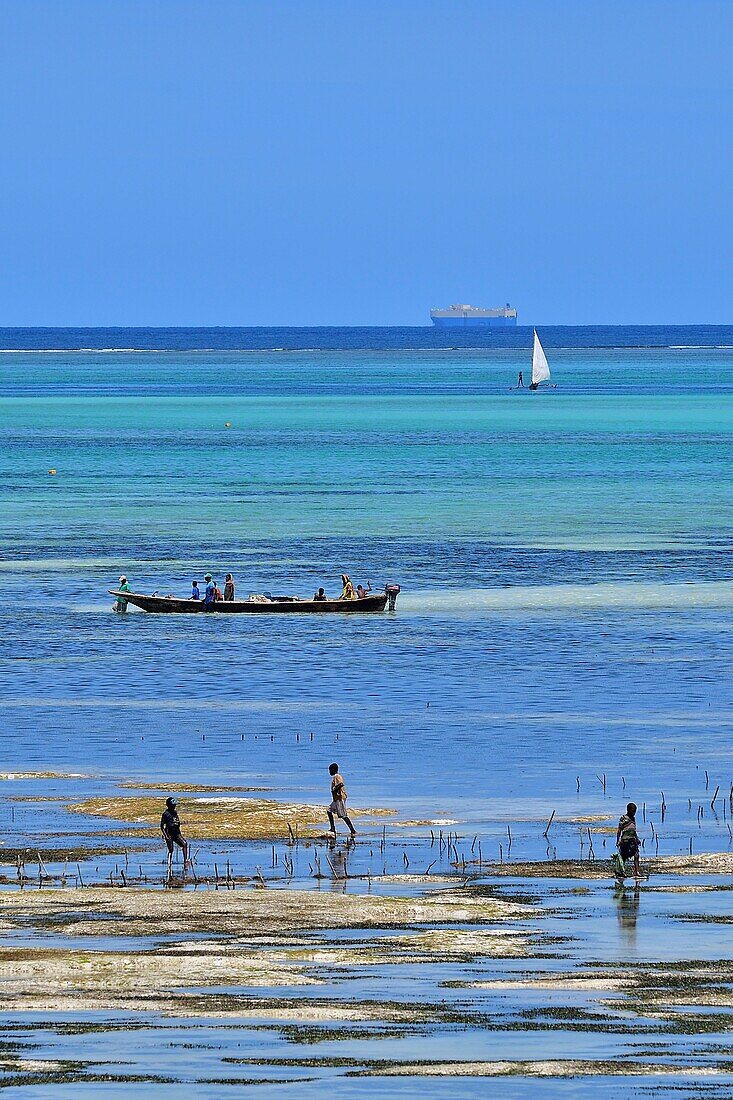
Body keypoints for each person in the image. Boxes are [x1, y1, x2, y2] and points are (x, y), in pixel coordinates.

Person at [327, 762, 356, 838]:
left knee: (343, 815)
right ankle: (332, 828)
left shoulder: (337, 776)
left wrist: (334, 790)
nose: (329, 772)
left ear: (333, 770)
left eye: (330, 770)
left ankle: (352, 830)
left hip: (340, 798)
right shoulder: (335, 777)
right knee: (329, 810)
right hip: (336, 799)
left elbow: (341, 784)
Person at [161, 796, 189, 872]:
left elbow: (177, 823)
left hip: (176, 833)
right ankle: (169, 864)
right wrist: (166, 836)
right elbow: (162, 826)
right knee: (171, 850)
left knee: (184, 844)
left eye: (175, 805)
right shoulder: (165, 814)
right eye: (173, 805)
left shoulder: (175, 813)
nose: (174, 806)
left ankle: (185, 861)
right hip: (169, 834)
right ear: (169, 805)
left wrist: (179, 834)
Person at [616, 802, 641, 878]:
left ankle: (636, 871)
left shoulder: (633, 818)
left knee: (636, 855)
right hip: (625, 840)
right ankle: (621, 871)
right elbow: (620, 829)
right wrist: (618, 840)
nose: (634, 813)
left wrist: (637, 839)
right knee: (623, 856)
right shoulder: (624, 818)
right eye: (633, 811)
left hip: (632, 840)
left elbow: (633, 830)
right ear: (628, 810)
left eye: (635, 811)